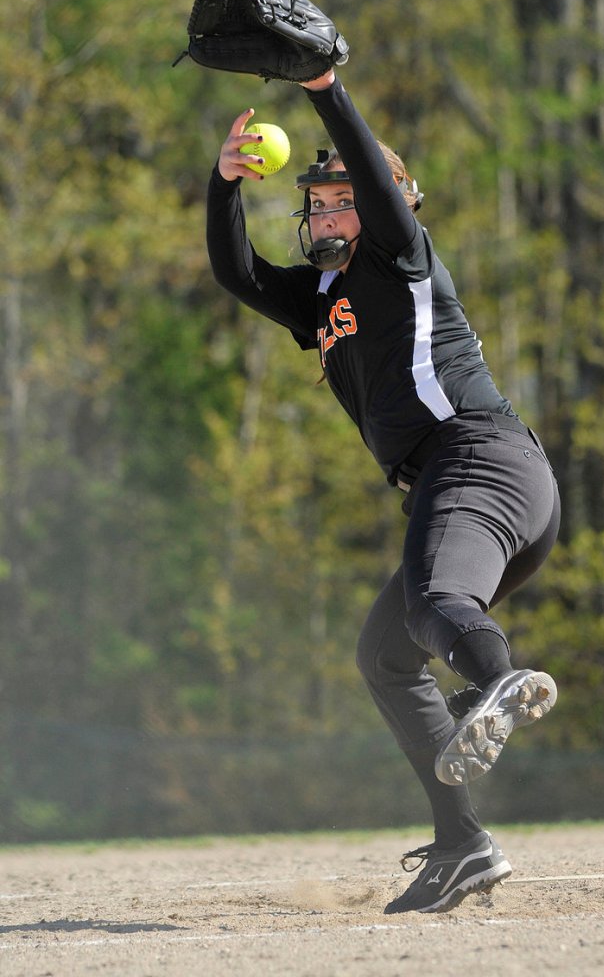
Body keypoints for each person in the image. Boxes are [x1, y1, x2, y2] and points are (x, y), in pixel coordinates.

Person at [206, 67, 561, 914]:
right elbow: (236, 274)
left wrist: (325, 88)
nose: (326, 217)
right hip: (472, 480)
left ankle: (496, 680)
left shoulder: (399, 258)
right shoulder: (323, 295)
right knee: (386, 655)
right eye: (316, 206)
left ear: (384, 203)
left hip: (477, 458)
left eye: (341, 202)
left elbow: (373, 179)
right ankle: (462, 842)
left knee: (434, 601)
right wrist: (220, 184)